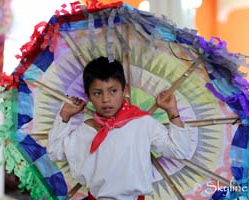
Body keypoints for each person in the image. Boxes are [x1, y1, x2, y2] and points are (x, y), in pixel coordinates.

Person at [47, 56, 192, 200]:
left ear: (125, 90)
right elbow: (55, 152)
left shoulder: (142, 123)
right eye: (97, 93)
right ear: (88, 96)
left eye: (113, 91)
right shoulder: (86, 129)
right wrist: (65, 115)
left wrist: (172, 111)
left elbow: (179, 150)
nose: (105, 99)